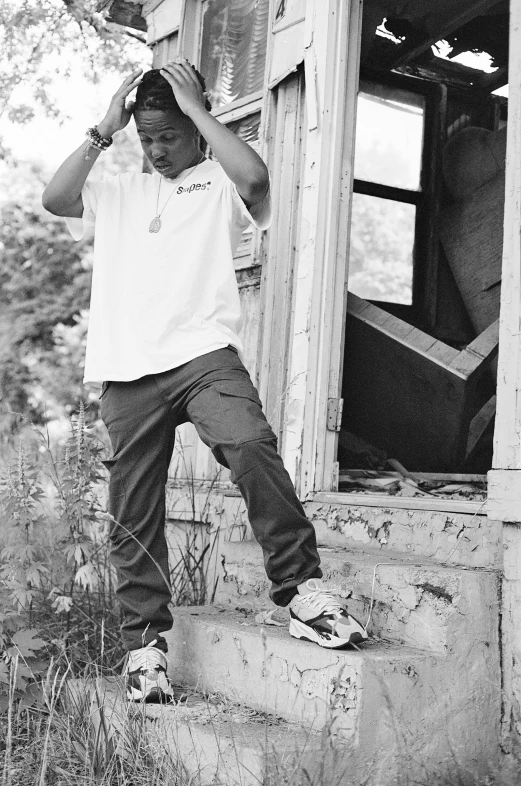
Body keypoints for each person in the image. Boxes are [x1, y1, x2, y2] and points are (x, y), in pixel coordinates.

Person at [42, 59, 368, 703]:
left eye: (169, 134)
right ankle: (145, 647)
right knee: (133, 511)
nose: (158, 149)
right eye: (148, 137)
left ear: (192, 130)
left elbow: (256, 178)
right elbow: (55, 199)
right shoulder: (118, 193)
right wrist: (106, 126)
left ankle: (301, 591)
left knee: (248, 444)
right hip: (127, 369)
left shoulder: (216, 180)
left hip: (202, 354)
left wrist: (197, 111)